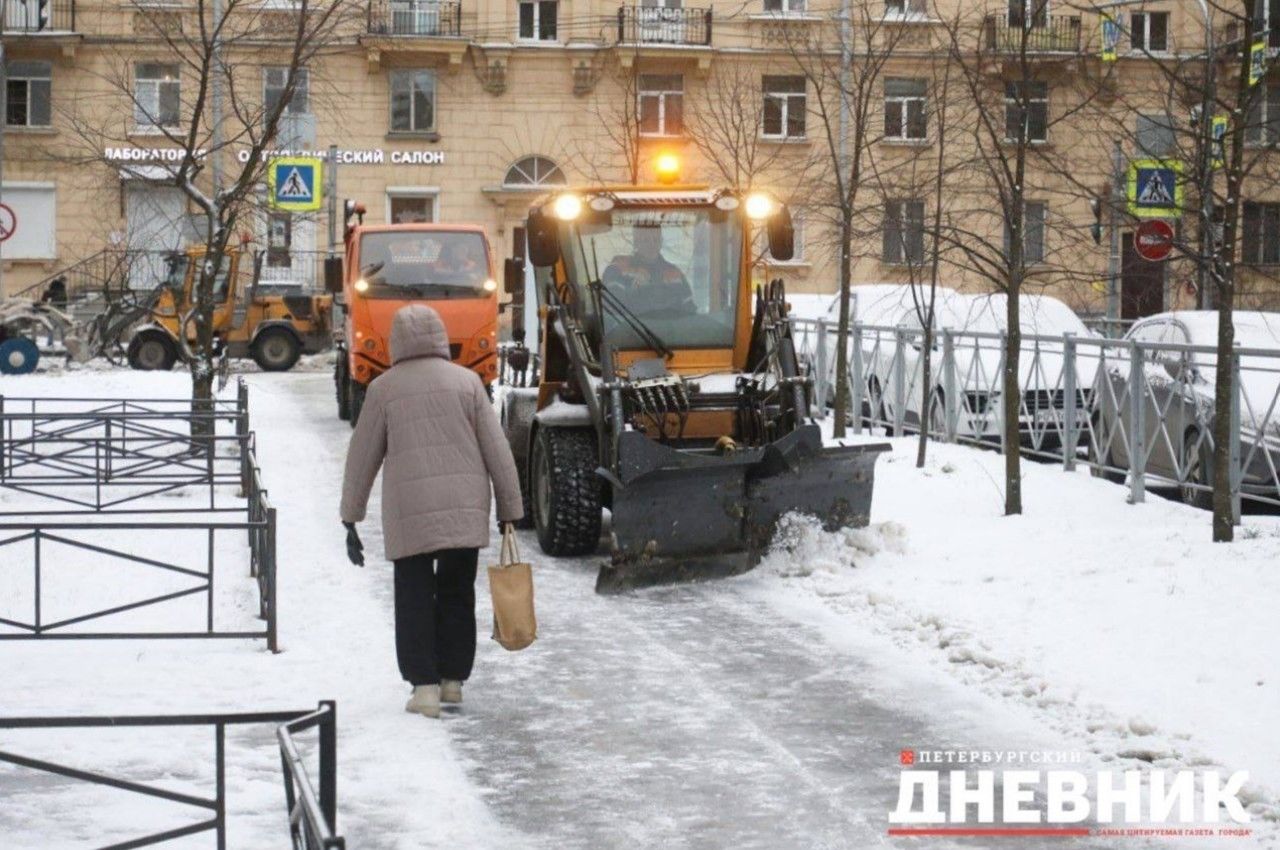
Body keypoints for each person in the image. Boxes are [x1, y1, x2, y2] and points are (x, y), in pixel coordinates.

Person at [340, 304, 524, 719]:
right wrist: (510, 508)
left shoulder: (384, 389)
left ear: (397, 341)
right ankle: (453, 681)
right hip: (465, 506)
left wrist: (350, 515)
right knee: (458, 595)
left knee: (414, 597)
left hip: (411, 512)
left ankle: (423, 687)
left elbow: (362, 456)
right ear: (440, 337)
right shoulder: (468, 383)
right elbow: (497, 448)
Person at [602, 225, 694, 314]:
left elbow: (689, 310)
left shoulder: (675, 273)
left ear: (661, 242)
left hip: (670, 328)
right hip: (631, 328)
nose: (652, 245)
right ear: (636, 242)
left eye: (656, 240)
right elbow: (613, 309)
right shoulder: (617, 269)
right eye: (646, 240)